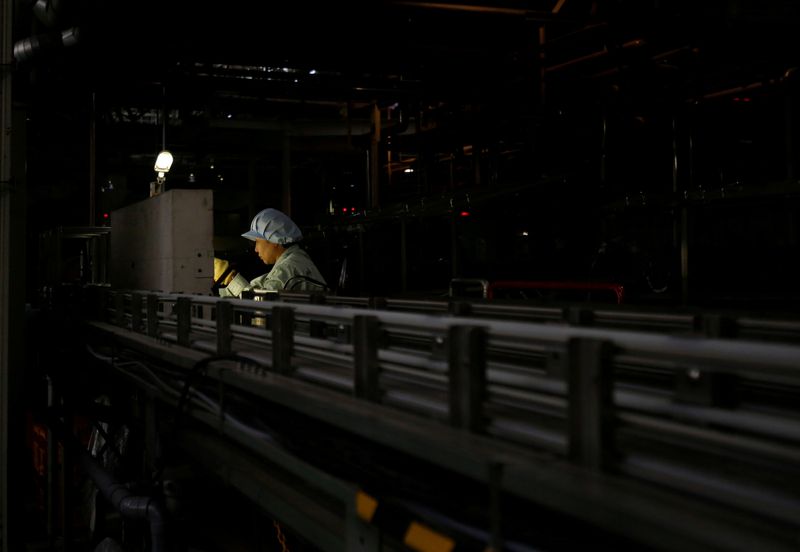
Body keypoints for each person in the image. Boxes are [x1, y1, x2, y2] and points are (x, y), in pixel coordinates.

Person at [215, 208, 328, 297]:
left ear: (274, 240)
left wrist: (230, 277)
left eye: (258, 242)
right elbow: (256, 288)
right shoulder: (295, 259)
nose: (256, 249)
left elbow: (260, 304)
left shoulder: (289, 268)